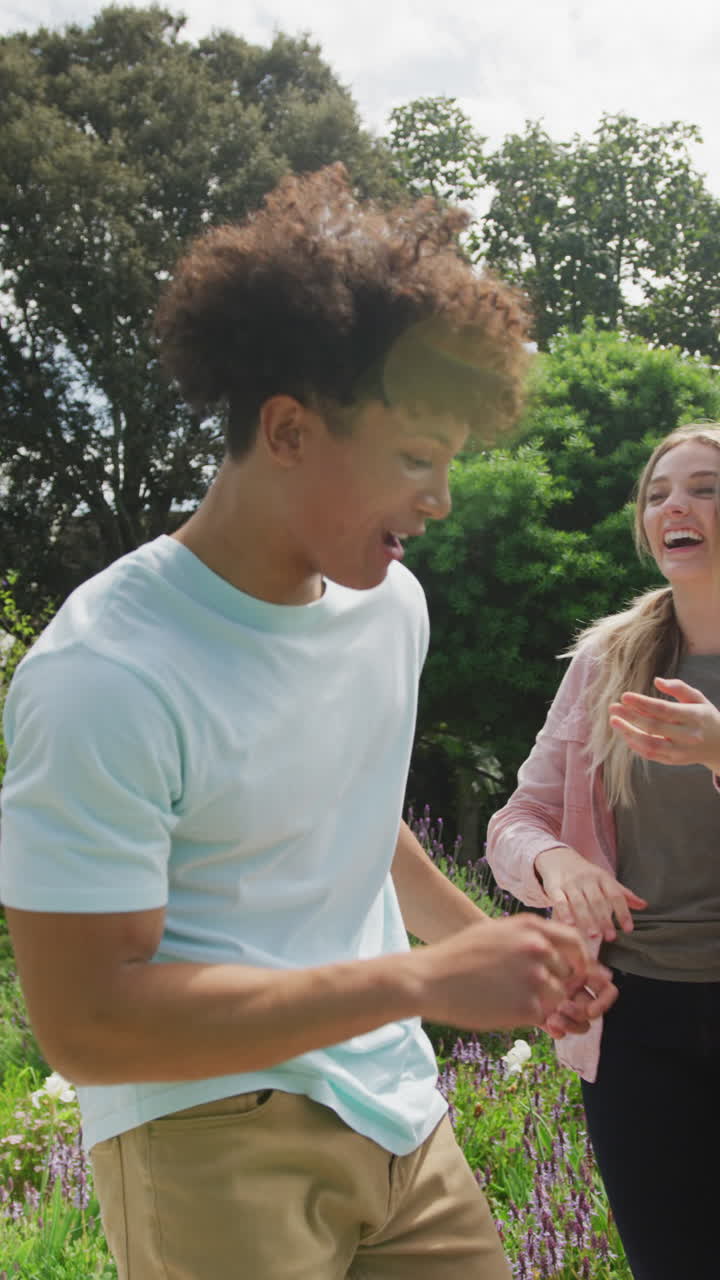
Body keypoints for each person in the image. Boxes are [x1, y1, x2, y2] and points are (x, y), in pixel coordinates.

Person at [0, 165, 613, 1280]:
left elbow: (354, 817)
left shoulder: (391, 606)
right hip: (206, 1130)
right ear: (286, 429)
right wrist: (422, 984)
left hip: (397, 1109)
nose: (439, 499)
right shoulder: (105, 673)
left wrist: (490, 952)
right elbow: (87, 1023)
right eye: (415, 458)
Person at [486, 421, 720, 1279]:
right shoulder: (605, 661)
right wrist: (557, 864)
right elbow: (516, 820)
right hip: (635, 1023)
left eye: (705, 488)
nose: (675, 507)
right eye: (658, 494)